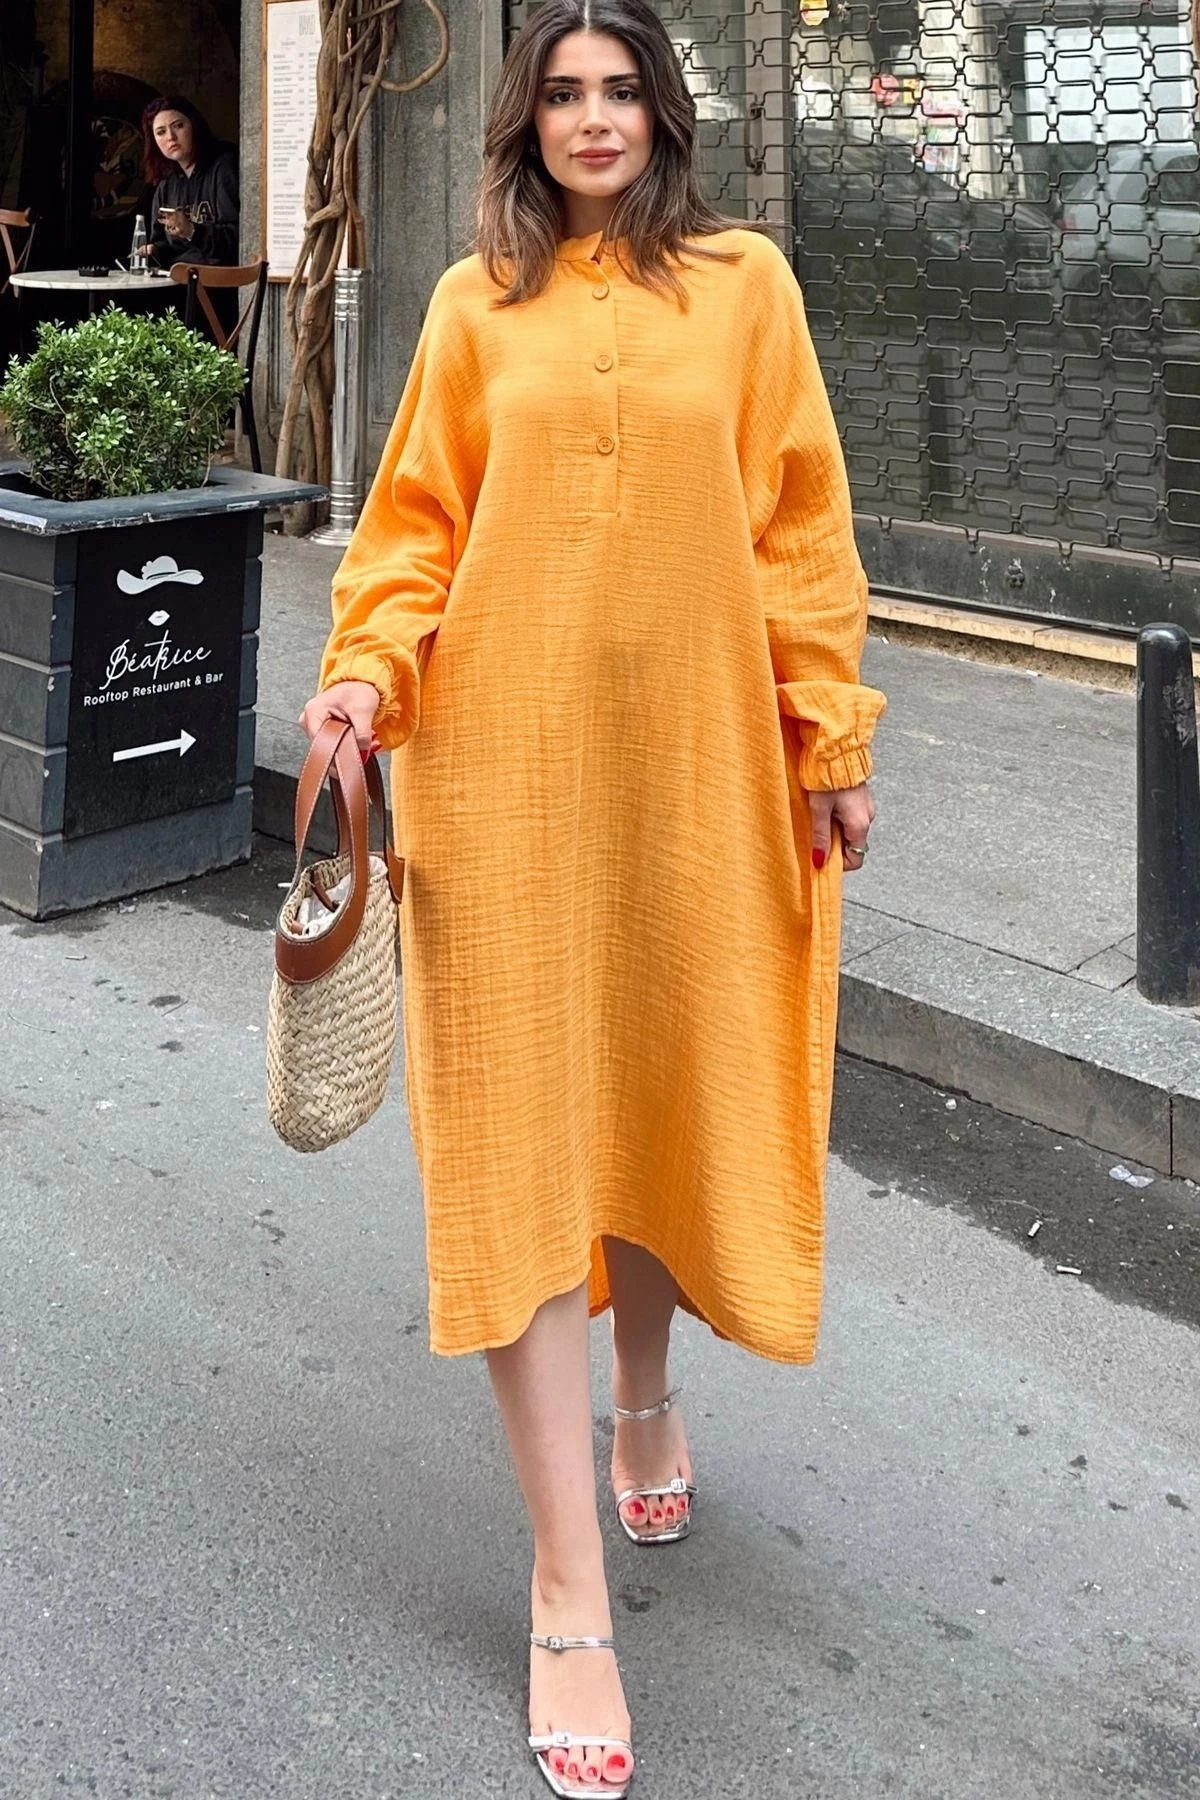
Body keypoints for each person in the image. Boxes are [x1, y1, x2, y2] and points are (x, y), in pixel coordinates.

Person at [300, 1, 885, 1793]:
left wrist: (829, 731)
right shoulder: (474, 306)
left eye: (622, 90)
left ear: (665, 115)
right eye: (562, 93)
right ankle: (567, 1586)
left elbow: (801, 524)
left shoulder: (748, 288)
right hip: (506, 776)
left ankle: (647, 1391)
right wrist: (363, 676)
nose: (595, 118)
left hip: (700, 771)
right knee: (518, 1141)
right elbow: (414, 525)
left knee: (650, 1096)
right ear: (525, 125)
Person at [140, 96, 239, 271]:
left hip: (219, 278)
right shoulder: (165, 184)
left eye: (178, 126)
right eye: (161, 132)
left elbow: (240, 238)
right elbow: (163, 242)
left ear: (194, 125)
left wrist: (192, 231)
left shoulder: (224, 167)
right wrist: (155, 251)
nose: (171, 137)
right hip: (178, 276)